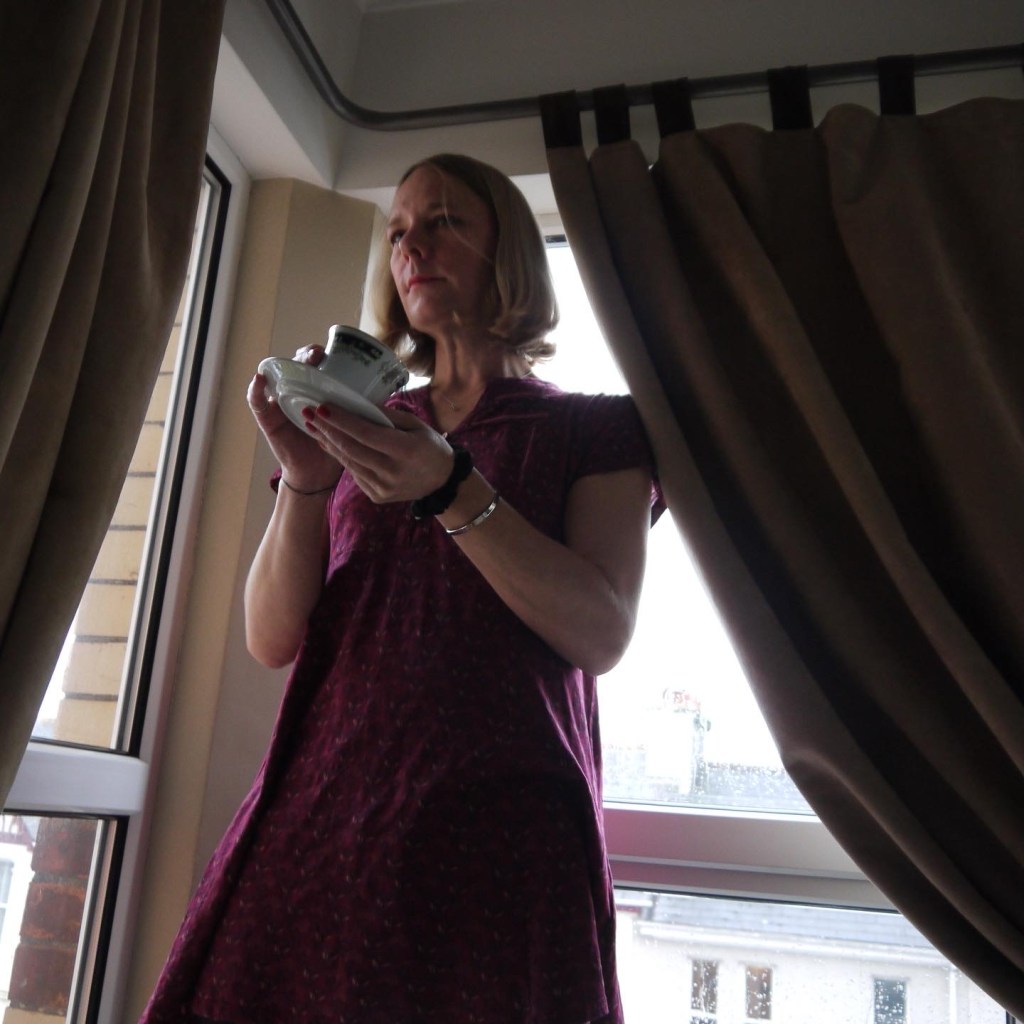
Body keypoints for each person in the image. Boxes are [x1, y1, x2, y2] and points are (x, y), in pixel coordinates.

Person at [141, 153, 663, 1024]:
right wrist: (306, 477)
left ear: (510, 250)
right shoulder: (364, 426)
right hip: (319, 821)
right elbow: (271, 637)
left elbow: (601, 631)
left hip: (499, 845)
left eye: (443, 222)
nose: (412, 247)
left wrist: (450, 487)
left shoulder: (596, 428)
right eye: (397, 233)